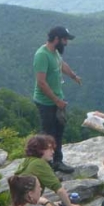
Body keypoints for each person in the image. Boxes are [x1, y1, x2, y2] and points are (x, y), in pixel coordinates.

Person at [33, 26, 82, 173]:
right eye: (64, 39)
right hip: (46, 102)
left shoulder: (54, 53)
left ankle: (58, 161)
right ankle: (46, 166)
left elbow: (62, 65)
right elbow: (41, 82)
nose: (66, 43)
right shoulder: (42, 55)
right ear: (56, 39)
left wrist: (73, 76)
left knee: (59, 131)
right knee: (48, 134)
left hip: (57, 100)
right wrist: (56, 101)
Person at [14, 134, 84, 206]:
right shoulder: (39, 164)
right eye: (49, 149)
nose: (53, 152)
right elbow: (59, 190)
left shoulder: (27, 161)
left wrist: (51, 204)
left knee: (67, 200)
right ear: (40, 150)